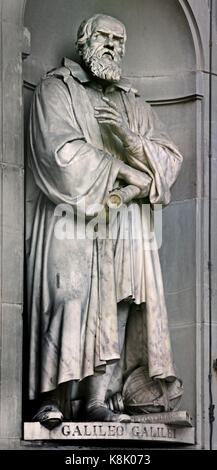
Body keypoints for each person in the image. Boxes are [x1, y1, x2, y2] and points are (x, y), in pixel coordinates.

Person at [26, 14, 183, 429]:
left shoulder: (133, 104)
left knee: (115, 307)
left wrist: (130, 140)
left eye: (119, 39)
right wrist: (128, 171)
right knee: (67, 299)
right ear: (84, 42)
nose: (112, 45)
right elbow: (59, 152)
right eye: (104, 36)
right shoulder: (55, 89)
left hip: (125, 223)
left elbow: (169, 160)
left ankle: (97, 399)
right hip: (71, 215)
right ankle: (49, 398)